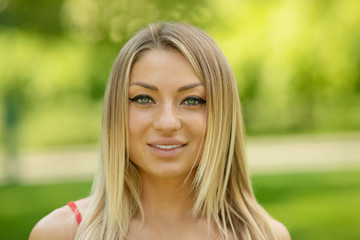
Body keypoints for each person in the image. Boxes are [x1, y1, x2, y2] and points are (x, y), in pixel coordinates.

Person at [29, 22, 291, 240]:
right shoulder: (62, 233)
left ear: (223, 117)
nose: (167, 123)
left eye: (192, 100)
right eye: (144, 99)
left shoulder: (264, 235)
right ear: (116, 113)